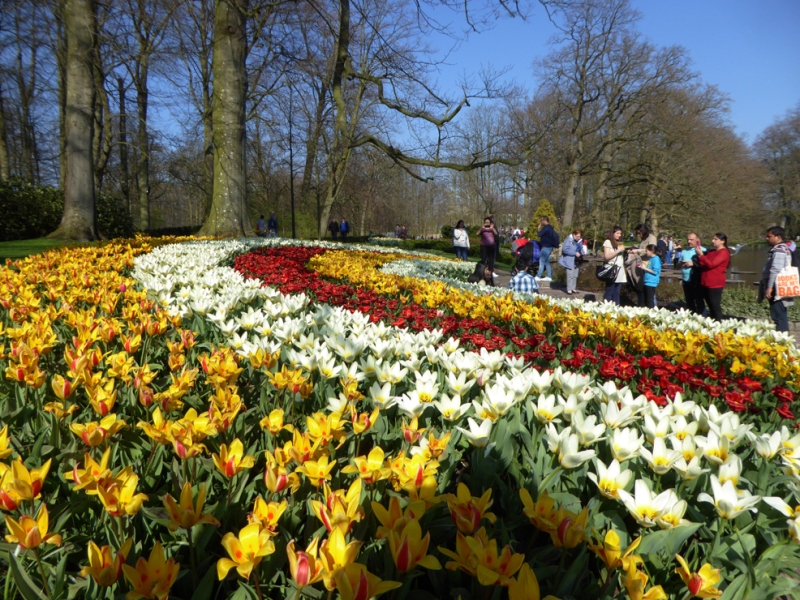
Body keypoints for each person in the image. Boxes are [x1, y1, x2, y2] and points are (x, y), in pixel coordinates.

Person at [760, 226, 793, 332]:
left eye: (769, 236)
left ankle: (782, 341)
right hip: (782, 285)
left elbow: (776, 269)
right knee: (781, 313)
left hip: (777, 286)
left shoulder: (779, 250)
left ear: (778, 237)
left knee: (778, 315)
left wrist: (769, 287)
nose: (766, 238)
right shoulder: (784, 248)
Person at [696, 232, 731, 321]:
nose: (713, 241)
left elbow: (711, 264)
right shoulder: (712, 252)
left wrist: (702, 255)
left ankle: (718, 323)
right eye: (713, 239)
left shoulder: (724, 252)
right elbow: (703, 263)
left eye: (715, 239)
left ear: (722, 241)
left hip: (715, 283)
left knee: (715, 306)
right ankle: (712, 322)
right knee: (710, 305)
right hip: (705, 281)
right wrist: (699, 256)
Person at [626, 224, 657, 307]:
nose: (638, 235)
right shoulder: (643, 240)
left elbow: (652, 250)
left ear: (644, 231)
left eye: (639, 233)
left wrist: (637, 251)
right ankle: (641, 306)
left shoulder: (652, 238)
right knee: (640, 289)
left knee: (649, 290)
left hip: (647, 265)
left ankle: (652, 308)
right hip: (641, 265)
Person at [679, 233, 705, 315]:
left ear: (697, 240)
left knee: (699, 301)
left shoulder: (703, 250)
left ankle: (702, 318)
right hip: (686, 280)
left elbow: (705, 264)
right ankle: (691, 318)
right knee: (689, 301)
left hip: (697, 280)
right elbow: (678, 264)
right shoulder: (684, 251)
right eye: (688, 240)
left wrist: (693, 264)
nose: (689, 241)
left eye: (691, 240)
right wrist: (681, 264)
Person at [602, 226, 627, 305]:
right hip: (612, 269)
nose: (619, 235)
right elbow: (606, 256)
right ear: (612, 233)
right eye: (617, 233)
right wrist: (618, 251)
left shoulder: (619, 243)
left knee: (617, 291)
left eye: (620, 233)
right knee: (610, 290)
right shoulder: (608, 242)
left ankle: (616, 308)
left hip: (620, 269)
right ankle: (606, 308)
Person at [559, 229, 583, 295]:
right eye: (577, 236)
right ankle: (569, 289)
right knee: (570, 275)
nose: (578, 238)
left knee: (575, 275)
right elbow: (565, 250)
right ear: (574, 234)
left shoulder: (579, 241)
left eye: (579, 236)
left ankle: (573, 288)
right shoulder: (568, 240)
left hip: (577, 260)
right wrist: (574, 253)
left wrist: (582, 252)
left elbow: (581, 249)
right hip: (569, 260)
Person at [640, 244, 662, 308]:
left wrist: (645, 268)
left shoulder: (656, 259)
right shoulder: (651, 259)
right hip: (647, 282)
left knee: (649, 301)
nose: (645, 252)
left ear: (651, 251)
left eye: (646, 251)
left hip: (651, 283)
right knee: (645, 301)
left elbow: (655, 272)